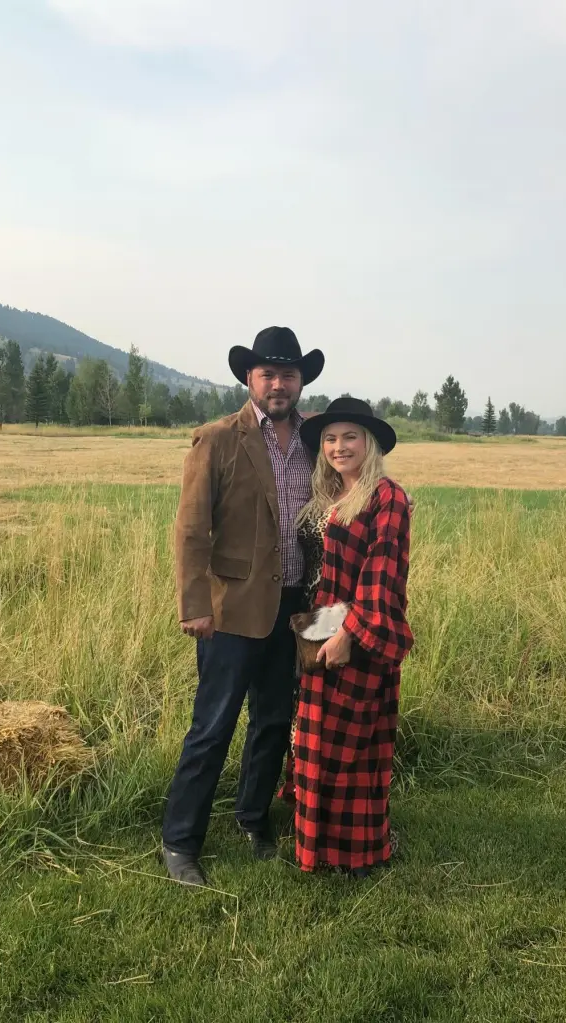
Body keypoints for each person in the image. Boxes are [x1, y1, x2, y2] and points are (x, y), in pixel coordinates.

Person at [162, 326, 324, 886]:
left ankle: (253, 820)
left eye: (288, 374)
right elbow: (191, 530)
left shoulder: (313, 441)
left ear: (300, 381)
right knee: (213, 726)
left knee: (274, 721)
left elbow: (342, 497)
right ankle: (180, 842)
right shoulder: (217, 440)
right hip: (231, 609)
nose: (279, 384)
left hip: (295, 607)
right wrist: (195, 604)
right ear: (249, 379)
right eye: (268, 374)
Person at [292, 397, 413, 878]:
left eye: (349, 437)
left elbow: (382, 575)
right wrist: (315, 629)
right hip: (317, 626)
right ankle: (317, 844)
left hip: (361, 632)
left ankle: (357, 853)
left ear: (370, 443)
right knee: (317, 740)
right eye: (329, 438)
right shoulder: (329, 495)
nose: (338, 447)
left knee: (354, 748)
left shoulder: (387, 497)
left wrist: (349, 634)